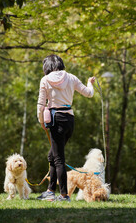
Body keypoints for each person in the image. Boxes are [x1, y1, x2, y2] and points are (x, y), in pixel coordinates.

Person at [36, 54, 95, 202]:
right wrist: (89, 82)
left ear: (47, 67)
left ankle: (64, 195)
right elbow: (89, 93)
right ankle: (50, 190)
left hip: (56, 120)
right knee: (53, 156)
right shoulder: (71, 77)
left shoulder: (45, 80)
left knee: (58, 159)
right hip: (69, 120)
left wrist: (41, 120)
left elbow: (41, 104)